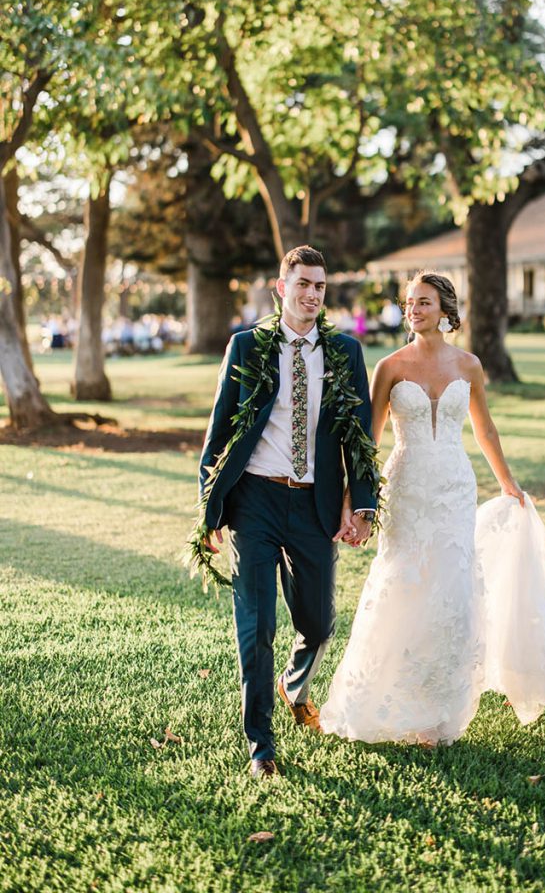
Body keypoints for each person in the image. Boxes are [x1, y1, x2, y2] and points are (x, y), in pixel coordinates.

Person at [321, 271, 545, 746]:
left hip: (455, 487)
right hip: (408, 486)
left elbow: (485, 431)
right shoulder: (391, 367)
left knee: (452, 590)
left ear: (445, 311)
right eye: (409, 303)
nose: (414, 310)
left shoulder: (470, 365)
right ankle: (386, 697)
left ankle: (440, 708)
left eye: (424, 303)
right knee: (403, 581)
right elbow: (368, 441)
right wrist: (354, 503)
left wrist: (509, 484)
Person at [197, 246, 378, 779]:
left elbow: (359, 435)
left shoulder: (345, 352)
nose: (311, 294)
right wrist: (209, 511)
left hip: (314, 503)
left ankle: (294, 684)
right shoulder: (246, 346)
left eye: (319, 286)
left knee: (318, 624)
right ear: (281, 287)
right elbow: (220, 430)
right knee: (256, 626)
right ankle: (261, 746)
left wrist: (361, 504)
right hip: (254, 499)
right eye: (302, 284)